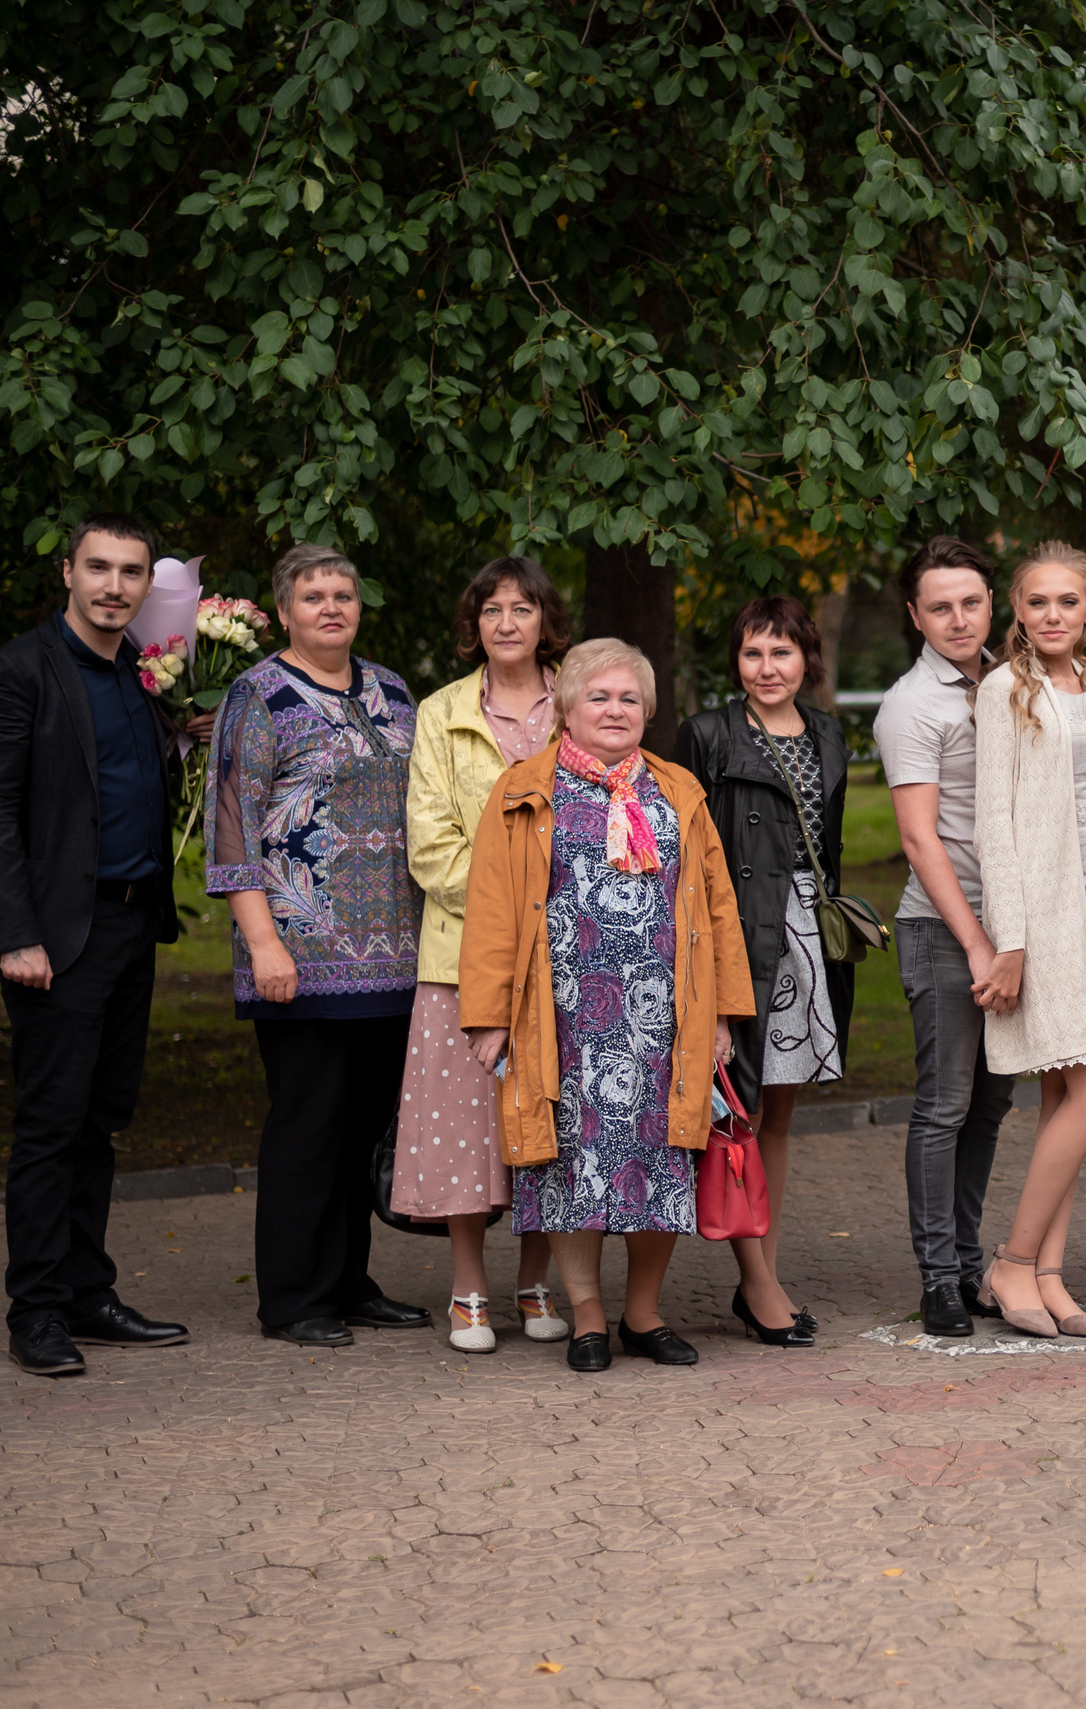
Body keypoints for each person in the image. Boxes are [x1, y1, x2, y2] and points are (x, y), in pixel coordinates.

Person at [458, 639, 750, 1373]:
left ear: (647, 710)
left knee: (663, 1160)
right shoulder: (524, 788)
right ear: (566, 707)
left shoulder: (679, 790)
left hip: (664, 1020)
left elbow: (718, 905)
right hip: (562, 1020)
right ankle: (588, 1315)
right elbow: (493, 907)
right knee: (568, 1168)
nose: (615, 710)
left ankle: (643, 1313)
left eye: (628, 698)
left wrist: (721, 1014)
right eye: (599, 696)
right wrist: (490, 1014)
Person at [0, 514, 192, 1376]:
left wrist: (187, 734)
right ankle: (37, 1312)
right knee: (51, 1126)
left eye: (131, 572)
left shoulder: (140, 675)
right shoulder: (21, 671)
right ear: (67, 571)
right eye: (98, 567)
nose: (114, 585)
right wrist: (16, 933)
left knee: (102, 1122)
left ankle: (88, 1290)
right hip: (57, 937)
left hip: (132, 926)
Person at [206, 543, 430, 1349]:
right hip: (299, 953)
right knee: (308, 1125)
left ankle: (349, 1282)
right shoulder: (257, 694)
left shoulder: (393, 689)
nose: (331, 606)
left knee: (363, 1126)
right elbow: (232, 826)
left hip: (395, 958)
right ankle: (295, 1298)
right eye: (313, 596)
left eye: (343, 593)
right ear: (287, 609)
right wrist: (262, 942)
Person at [971, 543, 1086, 1340]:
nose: (1052, 615)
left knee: (1064, 1100)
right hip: (1047, 921)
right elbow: (992, 828)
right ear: (1018, 610)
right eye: (1038, 602)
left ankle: (1049, 1274)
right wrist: (1010, 940)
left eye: (1067, 602)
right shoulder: (1005, 689)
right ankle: (1010, 1261)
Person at [397, 556, 568, 1354]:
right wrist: (519, 904)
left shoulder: (581, 695)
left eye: (522, 607)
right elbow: (431, 847)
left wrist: (553, 908)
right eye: (492, 608)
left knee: (552, 1123)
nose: (507, 622)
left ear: (544, 620)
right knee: (466, 1127)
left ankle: (536, 1280)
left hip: (572, 952)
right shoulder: (439, 712)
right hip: (462, 957)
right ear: (475, 624)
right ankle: (468, 1287)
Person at [675, 596, 854, 1349]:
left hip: (808, 932)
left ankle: (765, 1275)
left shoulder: (828, 733)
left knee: (777, 1113)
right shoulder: (709, 734)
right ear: (736, 663)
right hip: (740, 933)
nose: (768, 667)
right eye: (753, 653)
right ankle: (757, 1282)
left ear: (807, 658)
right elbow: (686, 853)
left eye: (782, 652)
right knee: (737, 1110)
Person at [873, 536, 1017, 1338]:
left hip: (1010, 927)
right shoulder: (911, 704)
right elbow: (922, 839)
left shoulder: (1004, 681)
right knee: (943, 1106)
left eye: (970, 601)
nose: (958, 618)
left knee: (991, 1107)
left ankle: (966, 1262)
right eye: (940, 606)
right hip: (944, 927)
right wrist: (974, 944)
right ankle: (936, 1278)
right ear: (914, 615)